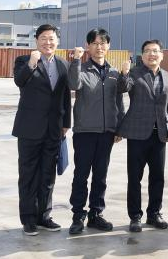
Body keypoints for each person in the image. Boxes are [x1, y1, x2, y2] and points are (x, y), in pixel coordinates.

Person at [12, 24, 71, 236]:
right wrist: (31, 62)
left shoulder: (63, 64)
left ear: (58, 41)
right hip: (29, 128)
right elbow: (19, 81)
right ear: (36, 40)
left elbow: (65, 96)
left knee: (48, 175)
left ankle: (43, 216)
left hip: (54, 129)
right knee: (28, 175)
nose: (48, 42)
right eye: (44, 38)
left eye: (51, 38)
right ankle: (28, 219)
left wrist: (66, 123)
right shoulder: (24, 61)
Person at [66, 28, 124, 235]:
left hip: (107, 132)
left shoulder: (114, 73)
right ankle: (78, 216)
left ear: (108, 46)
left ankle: (96, 214)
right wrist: (76, 60)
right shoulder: (81, 69)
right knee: (81, 175)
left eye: (103, 43)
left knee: (100, 175)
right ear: (88, 46)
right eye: (95, 43)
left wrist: (119, 127)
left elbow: (118, 102)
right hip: (85, 131)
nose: (99, 47)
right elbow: (73, 84)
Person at [117, 39, 168, 232]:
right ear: (142, 55)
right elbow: (123, 88)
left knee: (158, 177)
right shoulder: (134, 73)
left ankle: (154, 214)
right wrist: (124, 73)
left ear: (162, 55)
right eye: (147, 51)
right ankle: (135, 216)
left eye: (155, 51)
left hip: (159, 134)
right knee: (135, 177)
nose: (152, 54)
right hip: (137, 134)